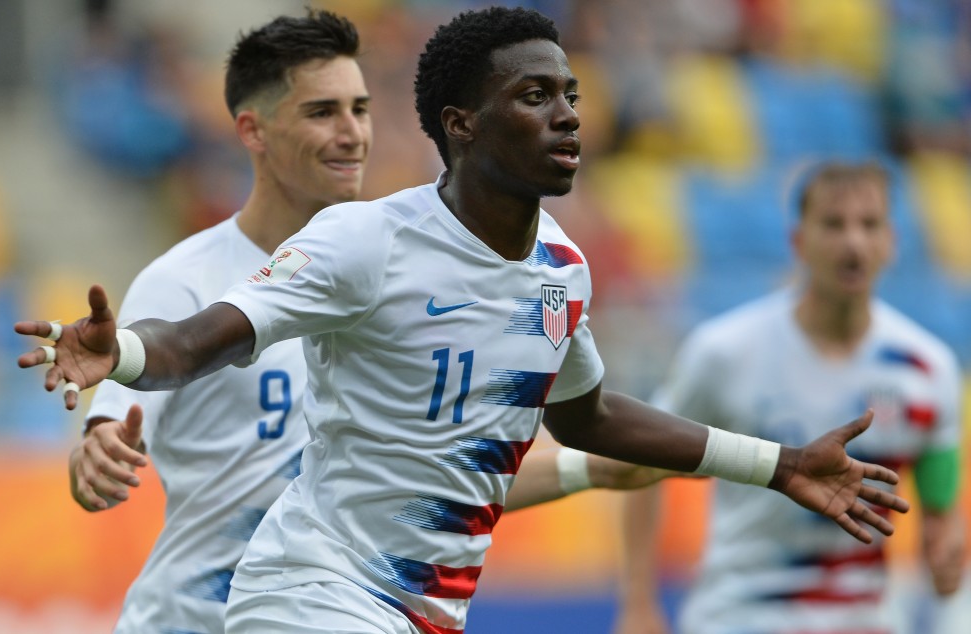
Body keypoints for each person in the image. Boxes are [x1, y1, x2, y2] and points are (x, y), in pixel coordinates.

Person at [18, 7, 908, 634]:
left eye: (570, 94)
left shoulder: (560, 270)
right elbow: (195, 340)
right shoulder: (364, 243)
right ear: (462, 124)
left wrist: (778, 464)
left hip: (419, 610)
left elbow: (587, 415)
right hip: (306, 598)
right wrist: (124, 352)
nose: (564, 114)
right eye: (533, 97)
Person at [66, 10, 674, 634]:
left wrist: (591, 467)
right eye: (322, 112)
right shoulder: (186, 281)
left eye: (361, 109)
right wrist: (97, 452)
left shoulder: (390, 276)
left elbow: (428, 490)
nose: (353, 133)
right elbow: (113, 412)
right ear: (253, 131)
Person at [614, 162, 965, 634]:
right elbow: (640, 462)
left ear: (892, 242)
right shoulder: (725, 352)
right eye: (834, 224)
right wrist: (638, 603)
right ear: (798, 240)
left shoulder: (929, 369)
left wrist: (945, 555)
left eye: (869, 224)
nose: (853, 242)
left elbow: (941, 519)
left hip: (864, 622)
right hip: (740, 618)